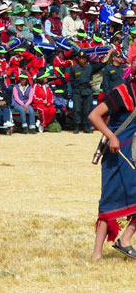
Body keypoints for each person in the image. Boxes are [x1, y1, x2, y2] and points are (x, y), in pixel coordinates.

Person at [88, 44, 136, 260]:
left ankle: (125, 239)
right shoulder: (123, 91)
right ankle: (96, 254)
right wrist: (113, 136)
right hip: (117, 152)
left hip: (133, 152)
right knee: (110, 201)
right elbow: (95, 116)